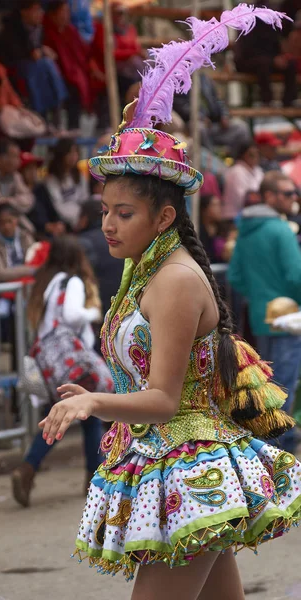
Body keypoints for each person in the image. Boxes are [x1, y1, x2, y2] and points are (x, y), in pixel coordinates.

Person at [36, 9, 301, 590]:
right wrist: (103, 396)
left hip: (190, 471)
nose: (107, 224)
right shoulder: (142, 270)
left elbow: (163, 400)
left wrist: (95, 405)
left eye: (123, 213)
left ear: (163, 216)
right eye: (105, 210)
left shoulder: (176, 279)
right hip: (168, 464)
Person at [11, 235, 114, 507]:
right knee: (83, 414)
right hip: (72, 361)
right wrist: (93, 313)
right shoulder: (74, 281)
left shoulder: (50, 281)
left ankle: (32, 469)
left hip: (52, 361)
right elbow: (72, 315)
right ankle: (90, 477)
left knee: (73, 416)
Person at [228, 171, 301, 453]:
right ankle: (279, 454)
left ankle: (268, 449)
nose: (293, 198)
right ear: (269, 196)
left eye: (294, 192)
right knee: (284, 388)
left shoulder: (246, 230)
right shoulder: (280, 230)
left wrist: (260, 296)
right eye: (287, 193)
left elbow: (235, 276)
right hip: (288, 318)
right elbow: (296, 276)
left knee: (270, 387)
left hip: (261, 318)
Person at [0, 0, 68, 125]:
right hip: (16, 67)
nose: (40, 13)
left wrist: (42, 51)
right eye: (36, 10)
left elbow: (37, 51)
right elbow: (13, 54)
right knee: (41, 66)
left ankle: (56, 106)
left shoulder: (38, 29)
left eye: (40, 10)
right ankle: (45, 111)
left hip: (36, 67)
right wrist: (31, 53)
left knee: (46, 64)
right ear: (24, 12)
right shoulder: (11, 29)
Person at [43, 0, 95, 129]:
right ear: (53, 14)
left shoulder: (71, 31)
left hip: (73, 72)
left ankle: (75, 127)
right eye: (63, 12)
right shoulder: (45, 32)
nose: (66, 15)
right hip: (54, 75)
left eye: (67, 11)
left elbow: (82, 53)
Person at [173, 74, 251, 156]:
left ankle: (233, 161)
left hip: (215, 125)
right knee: (199, 128)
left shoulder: (204, 79)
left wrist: (224, 115)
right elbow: (180, 106)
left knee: (241, 128)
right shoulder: (178, 82)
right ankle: (213, 162)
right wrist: (201, 117)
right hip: (194, 124)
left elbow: (218, 100)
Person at [234, 7, 298, 107]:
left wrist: (280, 58)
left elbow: (276, 47)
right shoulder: (247, 24)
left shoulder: (272, 27)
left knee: (290, 64)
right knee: (263, 64)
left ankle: (289, 101)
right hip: (248, 62)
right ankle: (267, 101)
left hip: (269, 61)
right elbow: (247, 52)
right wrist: (273, 60)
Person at [77, 199, 123, 318]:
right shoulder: (121, 236)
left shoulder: (84, 242)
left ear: (84, 218)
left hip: (99, 309)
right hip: (122, 304)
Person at [0, 203, 36, 283]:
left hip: (27, 285)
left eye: (9, 221)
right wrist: (30, 270)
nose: (7, 226)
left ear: (17, 220)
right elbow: (0, 273)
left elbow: (35, 261)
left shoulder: (25, 236)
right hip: (1, 289)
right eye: (2, 223)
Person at [42, 138, 88, 230]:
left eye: (75, 152)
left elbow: (85, 198)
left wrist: (85, 215)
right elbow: (58, 206)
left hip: (84, 216)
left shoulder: (78, 175)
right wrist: (77, 219)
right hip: (66, 222)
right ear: (61, 155)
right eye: (70, 153)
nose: (73, 156)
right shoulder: (51, 179)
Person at [20, 151, 67, 238]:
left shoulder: (40, 188)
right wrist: (46, 227)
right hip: (34, 234)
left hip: (52, 230)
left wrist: (58, 223)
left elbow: (51, 209)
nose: (33, 172)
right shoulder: (19, 192)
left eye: (34, 168)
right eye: (29, 169)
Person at [222, 142, 264, 221]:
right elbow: (244, 199)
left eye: (257, 154)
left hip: (252, 214)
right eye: (251, 154)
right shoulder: (236, 171)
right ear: (242, 155)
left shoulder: (258, 170)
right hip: (234, 217)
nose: (255, 157)